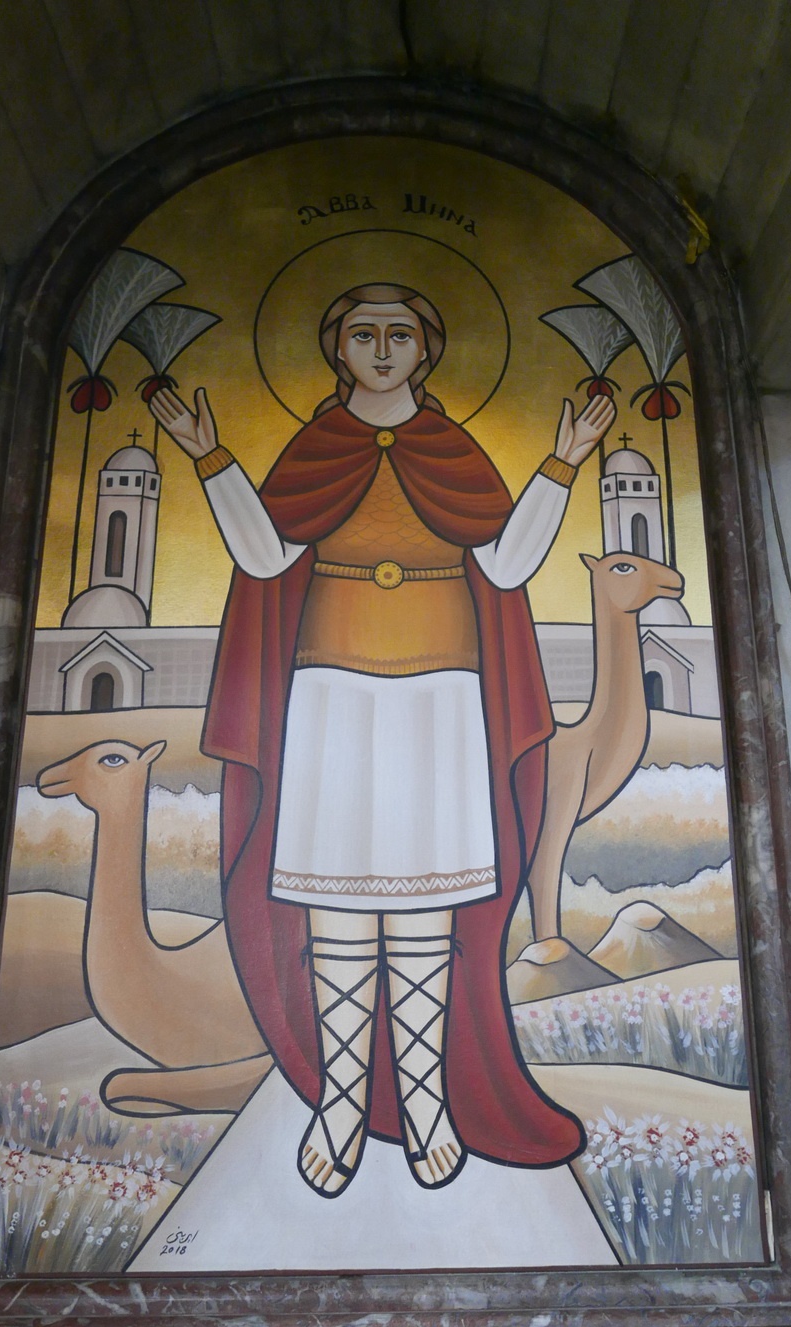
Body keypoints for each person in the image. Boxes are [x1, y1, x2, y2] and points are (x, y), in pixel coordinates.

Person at [151, 282, 614, 1197]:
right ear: (337, 348)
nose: (382, 347)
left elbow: (506, 567)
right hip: (330, 690)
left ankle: (427, 1097)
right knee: (337, 899)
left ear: (426, 348)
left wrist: (561, 464)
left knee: (426, 901)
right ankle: (342, 1099)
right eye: (362, 332)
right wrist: (210, 457)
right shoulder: (316, 447)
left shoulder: (452, 450)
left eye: (400, 332)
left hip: (443, 694)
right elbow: (265, 556)